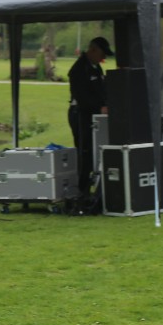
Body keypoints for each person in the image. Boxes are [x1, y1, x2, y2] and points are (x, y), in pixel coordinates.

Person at [68, 36, 112, 208]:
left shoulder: (96, 68)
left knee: (95, 150)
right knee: (84, 151)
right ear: (93, 50)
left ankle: (94, 187)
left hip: (95, 115)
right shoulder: (79, 69)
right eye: (102, 53)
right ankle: (82, 191)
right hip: (81, 114)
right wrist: (99, 107)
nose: (103, 58)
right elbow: (81, 96)